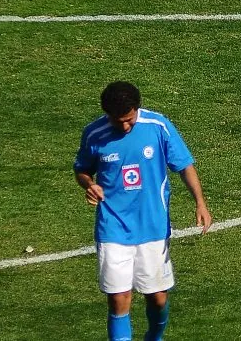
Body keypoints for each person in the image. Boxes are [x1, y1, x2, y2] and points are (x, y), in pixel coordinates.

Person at [74, 81, 212, 341]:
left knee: (157, 299)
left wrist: (200, 202)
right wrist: (89, 185)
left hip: (153, 225)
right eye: (119, 122)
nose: (125, 127)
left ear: (137, 108)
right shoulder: (94, 134)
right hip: (113, 227)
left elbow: (185, 165)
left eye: (129, 120)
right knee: (119, 298)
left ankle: (154, 337)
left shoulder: (158, 126)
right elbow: (82, 169)